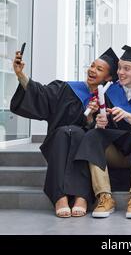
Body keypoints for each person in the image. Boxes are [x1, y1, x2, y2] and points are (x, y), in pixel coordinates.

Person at [10, 47, 119, 218]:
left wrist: (91, 116)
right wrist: (21, 75)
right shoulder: (66, 88)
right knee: (65, 132)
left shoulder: (106, 100)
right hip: (58, 142)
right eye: (92, 65)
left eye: (99, 69)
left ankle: (81, 197)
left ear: (108, 77)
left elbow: (101, 133)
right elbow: (41, 93)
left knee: (79, 134)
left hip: (82, 144)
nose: (92, 70)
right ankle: (60, 197)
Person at [75, 45, 131, 219]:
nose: (120, 72)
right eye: (119, 68)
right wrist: (97, 121)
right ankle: (104, 197)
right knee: (93, 134)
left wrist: (130, 117)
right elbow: (98, 124)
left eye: (126, 69)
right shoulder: (108, 92)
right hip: (114, 153)